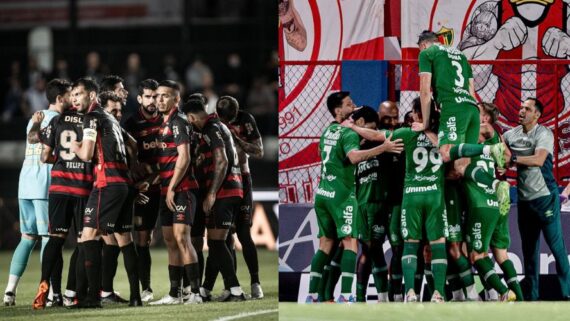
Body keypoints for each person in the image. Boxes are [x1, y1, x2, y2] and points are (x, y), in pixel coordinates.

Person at [305, 91, 403, 303]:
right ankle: (347, 296)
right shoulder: (349, 134)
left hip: (323, 192)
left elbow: (324, 152)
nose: (354, 105)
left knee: (325, 244)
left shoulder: (328, 131)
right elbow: (354, 156)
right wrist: (383, 148)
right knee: (350, 243)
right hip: (342, 195)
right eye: (349, 104)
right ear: (338, 110)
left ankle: (312, 296)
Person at [414, 30, 510, 216]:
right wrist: (470, 114)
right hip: (472, 108)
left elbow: (425, 91)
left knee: (446, 153)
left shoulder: (427, 53)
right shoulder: (460, 55)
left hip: (452, 107)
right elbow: (471, 90)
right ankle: (497, 184)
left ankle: (490, 150)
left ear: (423, 45)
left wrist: (426, 123)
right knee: (461, 166)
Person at [70, 78, 142, 308]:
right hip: (123, 184)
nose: (74, 99)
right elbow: (132, 145)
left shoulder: (93, 117)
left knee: (88, 236)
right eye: (73, 95)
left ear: (91, 95)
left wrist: (74, 145)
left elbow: (86, 153)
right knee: (125, 239)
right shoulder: (110, 117)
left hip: (106, 183)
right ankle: (136, 297)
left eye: (79, 94)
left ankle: (92, 298)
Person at [4, 79, 69, 307]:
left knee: (26, 238)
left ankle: (9, 291)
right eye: (70, 95)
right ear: (61, 98)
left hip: (25, 184)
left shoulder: (35, 117)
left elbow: (32, 139)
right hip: (44, 184)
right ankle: (49, 292)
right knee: (48, 239)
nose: (73, 99)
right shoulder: (60, 120)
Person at [30, 79, 95, 309]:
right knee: (82, 242)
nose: (75, 98)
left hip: (58, 188)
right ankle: (72, 293)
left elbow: (44, 156)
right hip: (82, 187)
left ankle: (46, 287)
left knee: (55, 240)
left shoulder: (57, 120)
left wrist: (62, 162)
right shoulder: (90, 120)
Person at [504, 98, 570, 301]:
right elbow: (500, 153)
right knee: (529, 252)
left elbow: (539, 160)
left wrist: (512, 159)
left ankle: (567, 293)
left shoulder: (544, 133)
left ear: (537, 115)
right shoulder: (510, 135)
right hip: (524, 202)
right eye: (521, 107)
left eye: (527, 108)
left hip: (545, 199)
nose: (521, 110)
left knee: (557, 248)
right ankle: (531, 299)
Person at [183, 95, 247, 302]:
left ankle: (235, 289)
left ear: (192, 117)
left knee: (217, 243)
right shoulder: (220, 126)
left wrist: (211, 193)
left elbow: (222, 161)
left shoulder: (212, 128)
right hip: (233, 189)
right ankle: (208, 288)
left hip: (224, 192)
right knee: (218, 241)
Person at [148, 81, 202, 305]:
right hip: (166, 190)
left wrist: (171, 188)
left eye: (165, 96)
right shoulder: (163, 124)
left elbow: (185, 156)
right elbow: (168, 160)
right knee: (170, 240)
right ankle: (174, 293)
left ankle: (196, 293)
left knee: (182, 238)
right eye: (157, 96)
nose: (159, 99)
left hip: (182, 190)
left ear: (176, 100)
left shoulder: (178, 121)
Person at [216, 95, 265, 299]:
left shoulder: (246, 120)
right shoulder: (214, 123)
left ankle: (255, 282)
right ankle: (231, 285)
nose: (228, 122)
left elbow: (259, 151)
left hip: (242, 177)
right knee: (225, 236)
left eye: (231, 118)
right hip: (223, 179)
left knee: (244, 233)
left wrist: (238, 141)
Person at [123, 79, 161, 302]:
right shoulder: (131, 124)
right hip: (142, 189)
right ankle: (145, 288)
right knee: (142, 238)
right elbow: (126, 159)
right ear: (140, 99)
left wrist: (155, 172)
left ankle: (186, 289)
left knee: (177, 237)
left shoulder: (167, 121)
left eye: (155, 96)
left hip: (165, 186)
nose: (153, 101)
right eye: (148, 96)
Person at [350, 106, 390, 303]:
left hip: (378, 203)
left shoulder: (384, 141)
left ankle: (383, 296)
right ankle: (359, 298)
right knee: (366, 250)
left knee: (374, 248)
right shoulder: (353, 146)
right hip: (360, 204)